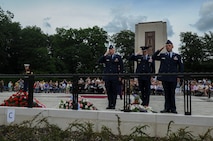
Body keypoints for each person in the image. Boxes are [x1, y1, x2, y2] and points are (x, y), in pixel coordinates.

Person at [152, 40, 184, 114]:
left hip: (173, 77)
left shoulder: (177, 56)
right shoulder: (163, 55)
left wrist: (180, 76)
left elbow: (181, 67)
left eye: (169, 45)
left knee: (172, 93)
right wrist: (159, 50)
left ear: (172, 46)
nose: (167, 47)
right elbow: (153, 57)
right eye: (166, 46)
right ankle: (166, 108)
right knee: (166, 93)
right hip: (165, 77)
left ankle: (173, 108)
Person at [98, 45, 124, 109]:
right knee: (109, 91)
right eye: (109, 50)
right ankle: (110, 104)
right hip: (108, 76)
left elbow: (121, 67)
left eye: (112, 49)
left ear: (114, 50)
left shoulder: (117, 57)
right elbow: (100, 61)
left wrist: (120, 75)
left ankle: (113, 105)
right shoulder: (106, 57)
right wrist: (105, 54)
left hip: (115, 76)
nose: (111, 51)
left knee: (114, 91)